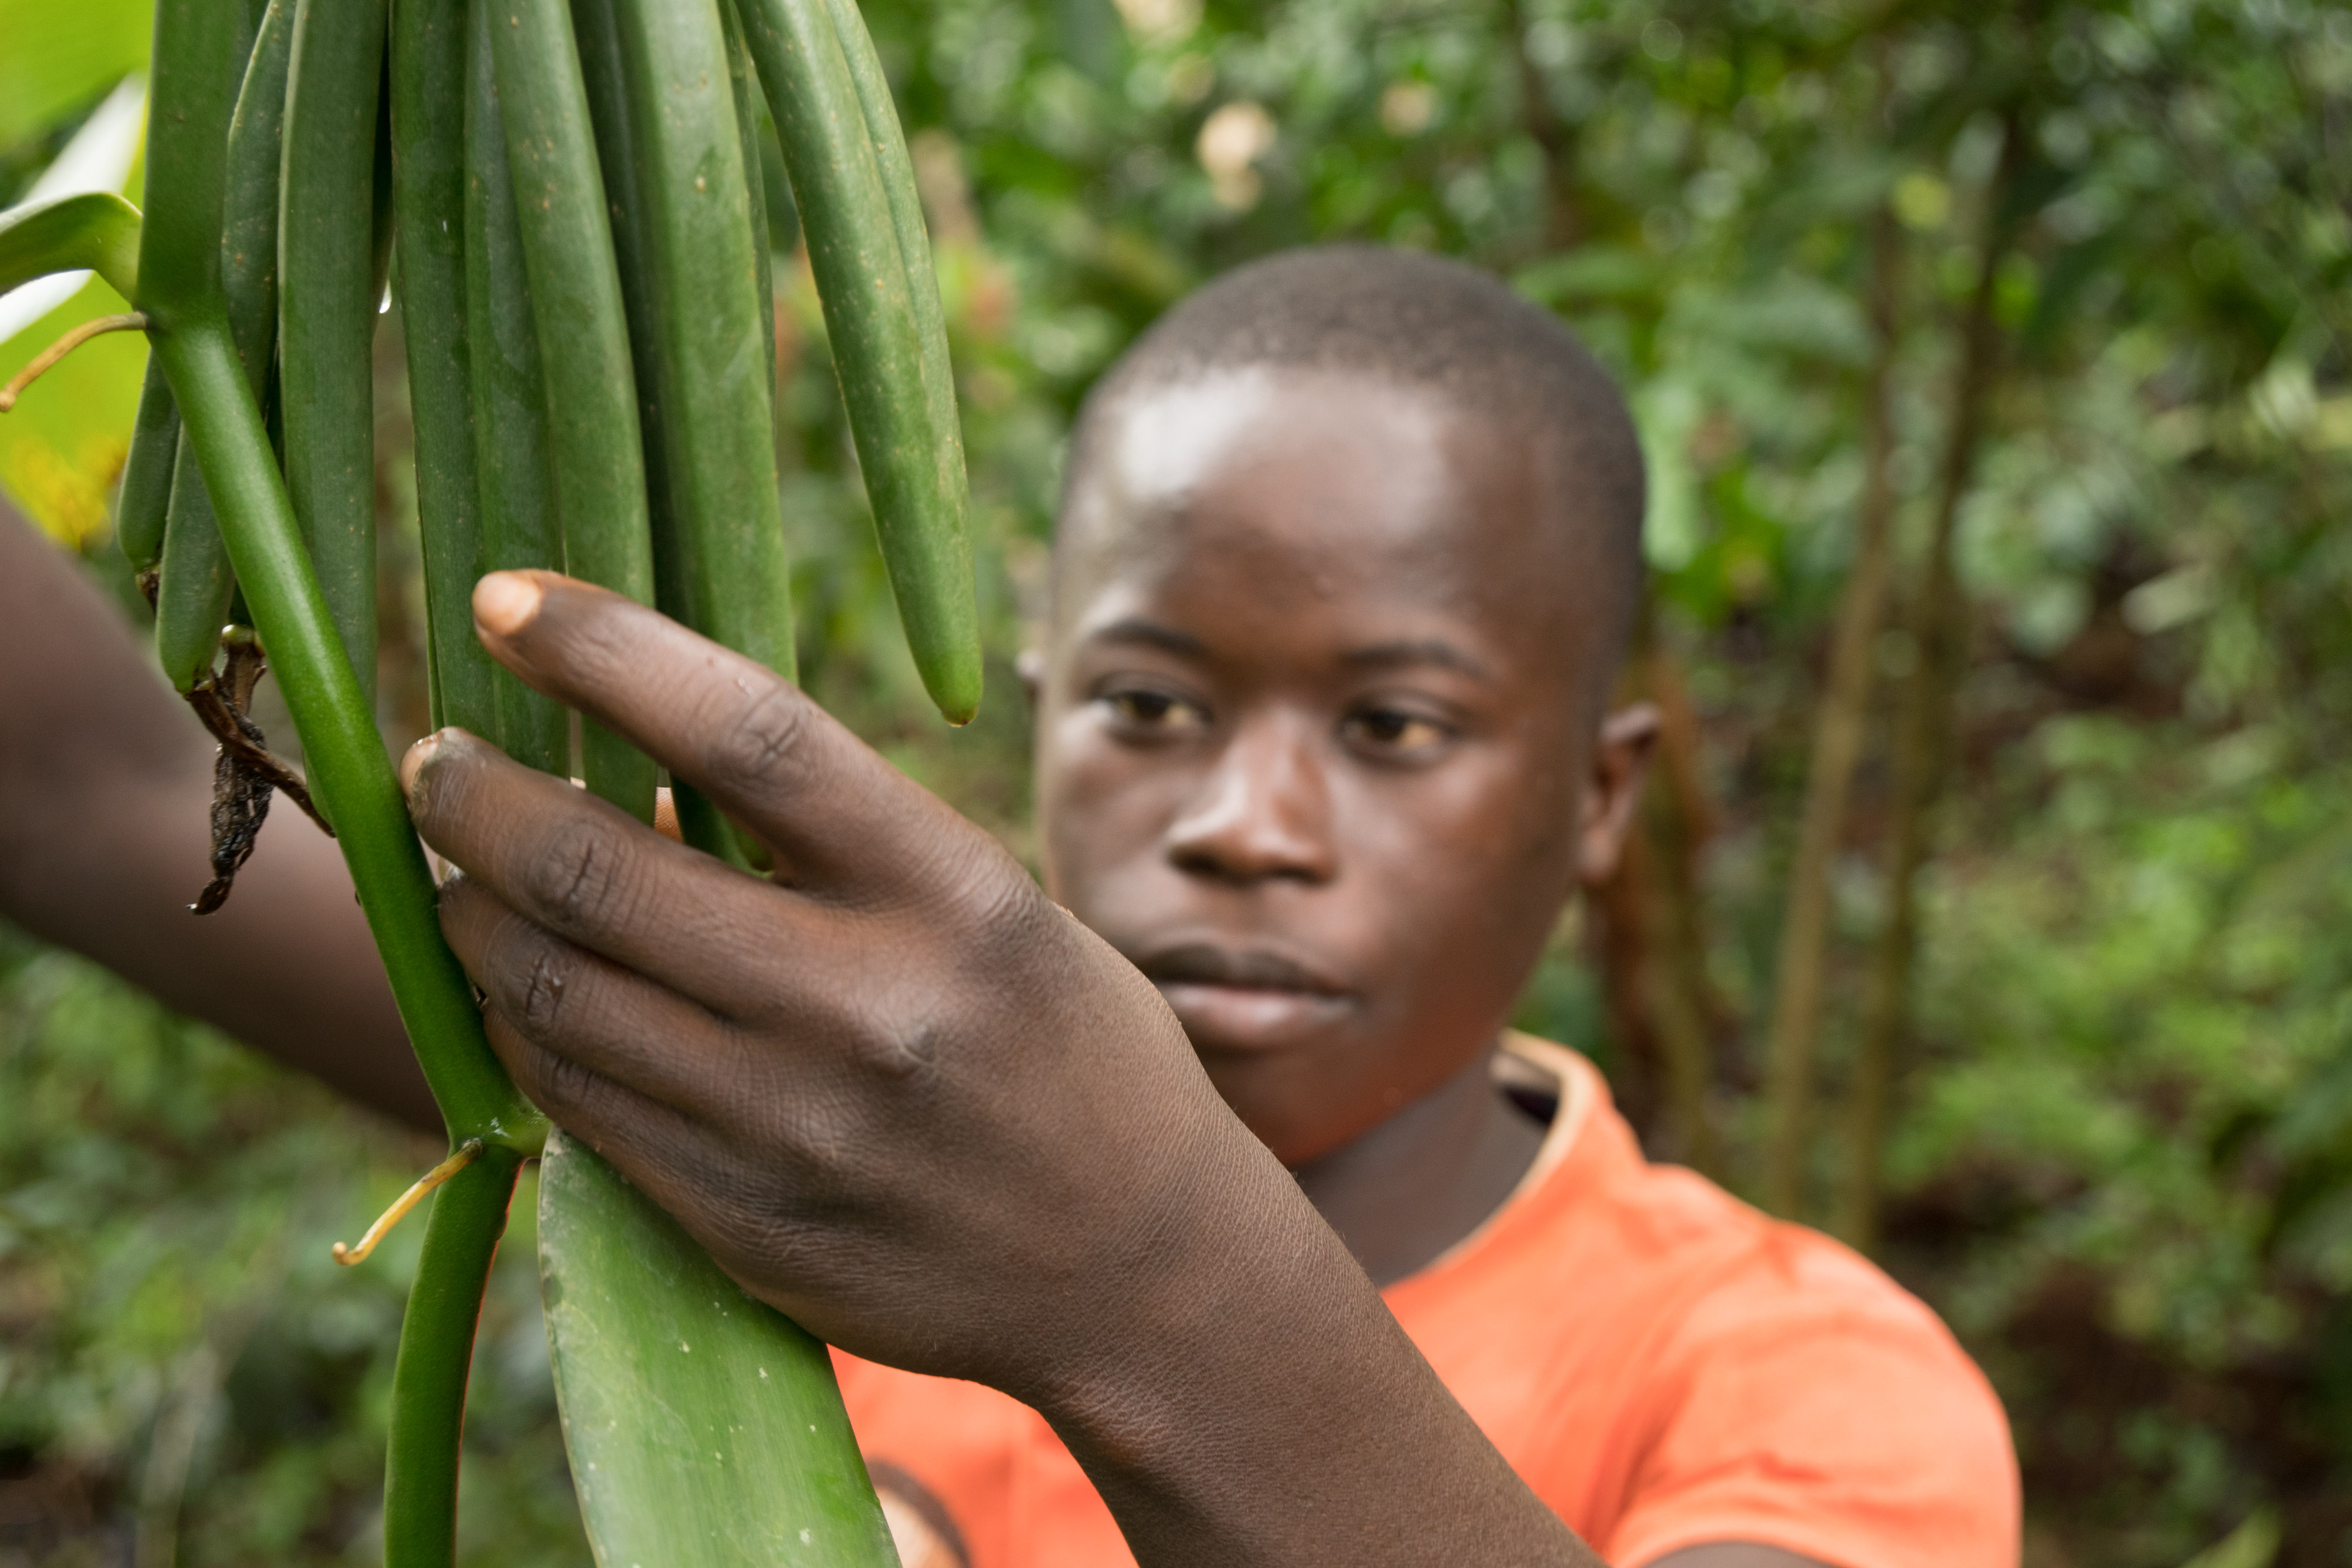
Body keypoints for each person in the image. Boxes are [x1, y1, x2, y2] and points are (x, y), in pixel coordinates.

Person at [0, 246, 2017, 1568]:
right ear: (1044, 717)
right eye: (1152, 705)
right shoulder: (816, 1134)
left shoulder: (1788, 1377)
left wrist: (1151, 1278)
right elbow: (83, 788)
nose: (1245, 819)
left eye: (1394, 723)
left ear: (1597, 803)